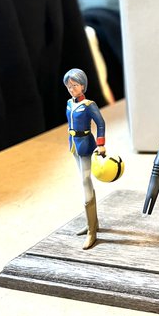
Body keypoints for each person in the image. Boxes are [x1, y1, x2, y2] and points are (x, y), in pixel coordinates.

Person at [63, 68, 105, 250]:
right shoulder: (69, 103)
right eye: (69, 86)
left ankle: (92, 231)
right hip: (74, 144)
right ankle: (92, 223)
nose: (71, 89)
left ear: (83, 86)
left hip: (86, 144)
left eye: (75, 85)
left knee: (85, 181)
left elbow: (101, 123)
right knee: (83, 180)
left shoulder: (89, 105)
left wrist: (101, 144)